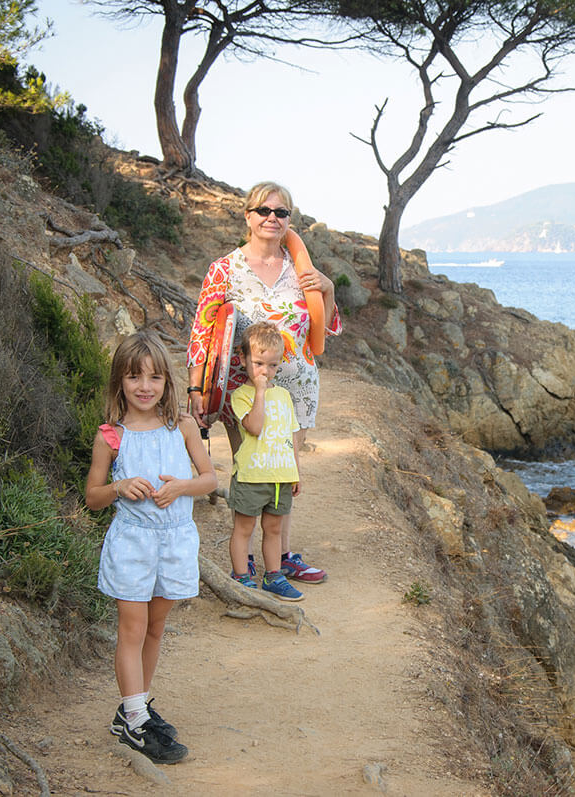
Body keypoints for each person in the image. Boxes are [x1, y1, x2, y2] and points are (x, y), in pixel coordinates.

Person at [187, 181, 340, 584]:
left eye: (281, 212)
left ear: (290, 220)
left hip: (297, 389)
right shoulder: (225, 268)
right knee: (251, 468)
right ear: (248, 217)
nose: (272, 218)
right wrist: (195, 388)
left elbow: (327, 326)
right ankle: (245, 559)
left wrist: (329, 289)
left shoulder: (300, 270)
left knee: (283, 471)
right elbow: (203, 332)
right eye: (264, 211)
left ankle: (281, 558)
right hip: (245, 391)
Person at [85, 331, 218, 765]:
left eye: (155, 378)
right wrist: (119, 486)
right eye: (134, 377)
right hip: (133, 544)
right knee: (132, 628)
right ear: (119, 383)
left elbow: (210, 480)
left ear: (167, 382)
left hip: (176, 540)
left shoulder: (180, 426)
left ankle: (134, 709)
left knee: (156, 628)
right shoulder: (112, 436)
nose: (145, 386)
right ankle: (137, 720)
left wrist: (182, 486)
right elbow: (92, 496)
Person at [227, 322, 304, 601]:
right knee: (244, 529)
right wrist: (260, 391)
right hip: (251, 476)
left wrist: (295, 471)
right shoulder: (242, 395)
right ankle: (241, 578)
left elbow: (291, 435)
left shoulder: (283, 396)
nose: (265, 371)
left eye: (272, 366)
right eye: (258, 363)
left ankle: (273, 576)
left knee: (272, 529)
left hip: (279, 477)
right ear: (243, 359)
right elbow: (255, 427)